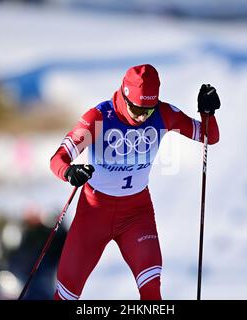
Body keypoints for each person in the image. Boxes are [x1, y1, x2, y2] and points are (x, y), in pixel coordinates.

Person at [49, 64, 221, 300]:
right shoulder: (98, 118)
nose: (142, 117)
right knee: (66, 295)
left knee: (151, 292)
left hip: (136, 215)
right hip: (93, 214)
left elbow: (208, 136)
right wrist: (69, 172)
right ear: (124, 95)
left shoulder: (163, 114)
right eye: (136, 109)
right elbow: (57, 159)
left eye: (148, 111)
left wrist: (207, 114)